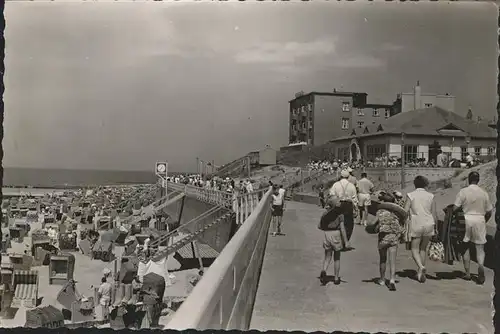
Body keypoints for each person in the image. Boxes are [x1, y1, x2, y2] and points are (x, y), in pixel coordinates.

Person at [453, 171, 492, 285]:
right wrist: (485, 220)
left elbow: (455, 208)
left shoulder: (463, 191)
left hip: (466, 220)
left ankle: (468, 273)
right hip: (480, 219)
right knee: (480, 248)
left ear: (469, 180)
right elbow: (489, 211)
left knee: (465, 246)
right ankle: (480, 267)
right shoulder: (484, 193)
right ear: (478, 180)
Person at [404, 175, 438, 283]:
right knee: (423, 249)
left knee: (414, 249)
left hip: (416, 223)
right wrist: (436, 227)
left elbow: (404, 211)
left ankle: (421, 266)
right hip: (429, 223)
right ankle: (420, 272)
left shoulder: (411, 195)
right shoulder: (431, 196)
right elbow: (434, 214)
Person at [373, 192, 405, 291]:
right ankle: (392, 280)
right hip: (394, 237)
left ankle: (382, 279)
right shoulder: (397, 213)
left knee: (383, 259)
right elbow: (401, 223)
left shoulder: (380, 212)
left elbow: (374, 223)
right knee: (393, 260)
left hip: (383, 237)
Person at [319, 197, 349, 286]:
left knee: (327, 256)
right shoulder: (340, 215)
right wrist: (346, 241)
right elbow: (342, 228)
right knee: (337, 257)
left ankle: (324, 270)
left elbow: (319, 226)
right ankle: (336, 278)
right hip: (336, 234)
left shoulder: (325, 213)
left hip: (327, 234)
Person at [328, 170, 358, 242]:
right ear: (348, 177)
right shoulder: (351, 185)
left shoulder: (336, 184)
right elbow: (354, 199)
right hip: (348, 205)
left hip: (338, 204)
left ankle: (338, 239)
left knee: (337, 221)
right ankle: (346, 240)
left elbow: (332, 195)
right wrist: (356, 209)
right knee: (349, 223)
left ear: (341, 176)